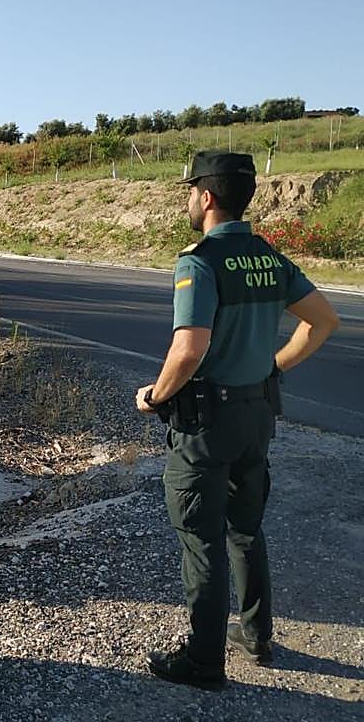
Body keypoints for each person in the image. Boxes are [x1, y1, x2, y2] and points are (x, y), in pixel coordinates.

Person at [135, 150, 340, 689]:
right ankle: (256, 635)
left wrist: (156, 395)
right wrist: (273, 366)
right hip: (256, 415)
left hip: (207, 424)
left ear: (206, 197)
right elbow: (323, 321)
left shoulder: (199, 262)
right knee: (245, 530)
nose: (188, 200)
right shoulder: (269, 257)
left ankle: (203, 662)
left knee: (201, 539)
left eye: (190, 191)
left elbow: (189, 349)